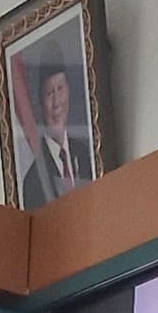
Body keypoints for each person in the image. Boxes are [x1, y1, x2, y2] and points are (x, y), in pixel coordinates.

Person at [15, 56, 97, 209]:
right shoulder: (33, 181)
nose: (56, 103)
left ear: (69, 91)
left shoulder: (86, 154)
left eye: (60, 89)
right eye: (49, 93)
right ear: (40, 102)